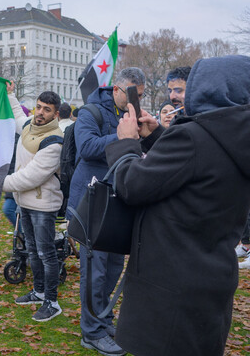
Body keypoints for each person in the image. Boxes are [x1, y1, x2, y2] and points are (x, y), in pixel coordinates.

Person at [104, 55, 250, 356]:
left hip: (170, 285)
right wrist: (158, 136)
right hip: (210, 278)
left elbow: (131, 185)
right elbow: (196, 172)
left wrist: (126, 142)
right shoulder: (235, 137)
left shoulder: (192, 136)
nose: (175, 96)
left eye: (186, 88)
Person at [66, 67, 146, 356]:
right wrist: (123, 136)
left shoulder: (132, 113)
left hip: (118, 200)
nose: (135, 100)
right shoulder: (90, 112)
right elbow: (86, 147)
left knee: (112, 268)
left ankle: (102, 319)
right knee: (94, 272)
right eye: (132, 94)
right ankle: (91, 333)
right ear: (116, 89)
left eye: (141, 95)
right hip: (92, 201)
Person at [3, 82, 64, 322]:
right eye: (38, 107)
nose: (40, 112)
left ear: (56, 114)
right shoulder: (30, 126)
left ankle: (52, 302)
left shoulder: (54, 141)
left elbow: (31, 177)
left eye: (46, 109)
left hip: (43, 206)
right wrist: (10, 94)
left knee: (46, 253)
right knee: (31, 250)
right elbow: (19, 116)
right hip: (25, 202)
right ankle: (38, 291)